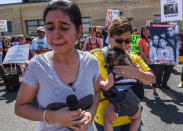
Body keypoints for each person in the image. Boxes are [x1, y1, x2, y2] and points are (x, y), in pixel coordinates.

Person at [15, 1, 100, 131]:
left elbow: (97, 92)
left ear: (79, 31)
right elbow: (20, 107)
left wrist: (91, 113)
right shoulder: (37, 66)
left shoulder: (91, 62)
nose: (55, 34)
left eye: (64, 27)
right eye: (49, 27)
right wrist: (53, 116)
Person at [91, 17, 155, 131]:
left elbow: (152, 79)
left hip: (131, 117)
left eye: (127, 41)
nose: (123, 45)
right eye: (119, 40)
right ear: (109, 36)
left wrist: (137, 73)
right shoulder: (95, 57)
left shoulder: (133, 56)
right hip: (107, 119)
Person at [99, 47, 141, 131]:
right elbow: (140, 75)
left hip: (119, 102)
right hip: (133, 101)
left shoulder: (114, 72)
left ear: (110, 64)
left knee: (107, 119)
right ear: (125, 60)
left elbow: (106, 86)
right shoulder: (133, 70)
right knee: (137, 119)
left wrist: (99, 80)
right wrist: (137, 67)